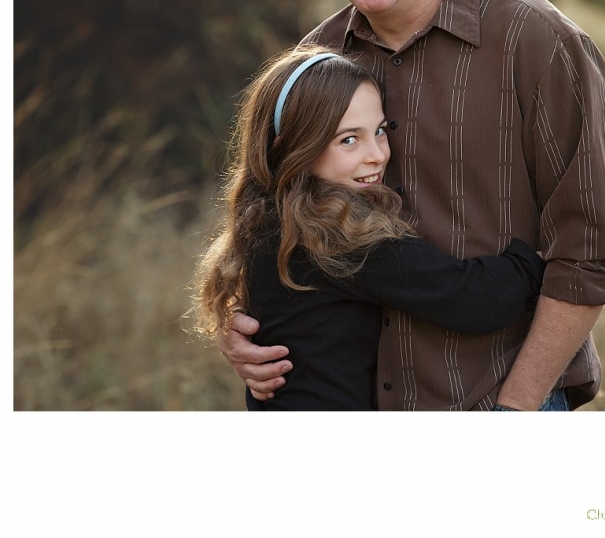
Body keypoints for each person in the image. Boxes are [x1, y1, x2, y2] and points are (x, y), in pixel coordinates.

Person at [217, 0, 605, 411]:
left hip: (494, 399)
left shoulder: (539, 43)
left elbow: (590, 250)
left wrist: (517, 408)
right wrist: (245, 325)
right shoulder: (318, 62)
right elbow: (270, 204)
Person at [194, 45, 546, 410]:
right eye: (349, 139)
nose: (377, 154)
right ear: (294, 148)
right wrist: (534, 258)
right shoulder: (330, 238)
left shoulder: (267, 220)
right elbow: (472, 299)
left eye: (379, 131)